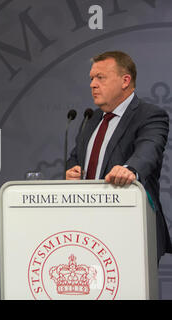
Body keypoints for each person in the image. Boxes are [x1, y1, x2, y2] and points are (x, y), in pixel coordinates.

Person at [66, 51, 172, 260]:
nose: (92, 84)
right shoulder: (92, 118)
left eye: (100, 78)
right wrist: (72, 170)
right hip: (86, 230)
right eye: (91, 78)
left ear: (125, 80)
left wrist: (130, 169)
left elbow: (148, 150)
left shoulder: (150, 115)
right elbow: (76, 157)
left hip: (131, 227)